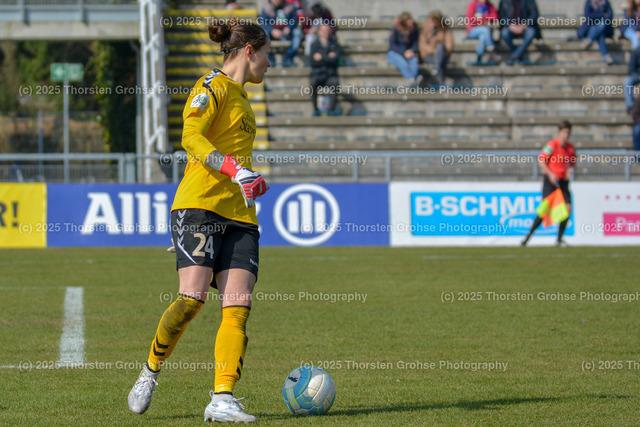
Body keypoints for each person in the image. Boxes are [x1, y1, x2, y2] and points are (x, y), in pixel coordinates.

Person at [127, 18, 270, 423]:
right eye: (267, 55)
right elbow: (191, 137)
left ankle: (222, 398)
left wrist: (250, 180)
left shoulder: (244, 99)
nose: (269, 63)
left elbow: (234, 158)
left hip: (241, 215)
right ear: (249, 51)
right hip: (199, 207)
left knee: (237, 307)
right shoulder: (212, 85)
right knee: (191, 299)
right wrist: (235, 170)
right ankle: (150, 371)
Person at [521, 120, 576, 247]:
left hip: (563, 182)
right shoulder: (552, 145)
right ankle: (527, 237)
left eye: (568, 132)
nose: (566, 135)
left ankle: (559, 239)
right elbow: (541, 160)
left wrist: (570, 170)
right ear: (559, 132)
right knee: (544, 211)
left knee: (568, 208)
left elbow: (573, 163)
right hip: (550, 181)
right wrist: (550, 174)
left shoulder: (570, 148)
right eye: (564, 132)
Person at [309, 23, 341, 115]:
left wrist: (321, 57)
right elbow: (312, 62)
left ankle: (331, 110)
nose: (326, 32)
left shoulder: (335, 45)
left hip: (330, 74)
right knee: (312, 84)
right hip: (317, 74)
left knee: (335, 83)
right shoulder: (314, 45)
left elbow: (335, 61)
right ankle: (316, 109)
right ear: (319, 32)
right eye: (323, 30)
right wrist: (328, 57)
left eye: (327, 30)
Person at [498, 0, 541, 64]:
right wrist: (509, 25)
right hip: (510, 28)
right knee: (504, 33)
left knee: (531, 32)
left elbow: (534, 14)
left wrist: (525, 24)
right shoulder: (504, 1)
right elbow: (501, 17)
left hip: (525, 27)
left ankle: (514, 55)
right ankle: (518, 55)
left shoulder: (530, 1)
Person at [260, 0, 302, 66]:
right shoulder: (267, 7)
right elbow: (262, 22)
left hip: (287, 33)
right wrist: (272, 30)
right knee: (264, 33)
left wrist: (289, 27)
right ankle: (270, 58)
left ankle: (288, 58)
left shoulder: (289, 6)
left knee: (297, 32)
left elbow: (295, 19)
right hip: (272, 34)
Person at [419, 11, 454, 86]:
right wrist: (434, 50)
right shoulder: (425, 30)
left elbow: (449, 46)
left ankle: (437, 68)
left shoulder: (445, 30)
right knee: (440, 60)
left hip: (441, 54)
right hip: (428, 55)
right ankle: (441, 82)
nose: (432, 23)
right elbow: (422, 45)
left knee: (440, 47)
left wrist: (439, 49)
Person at [388, 12, 422, 85]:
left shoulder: (414, 30)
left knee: (414, 61)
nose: (411, 21)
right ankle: (413, 79)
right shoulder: (395, 29)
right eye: (408, 20)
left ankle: (413, 80)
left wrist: (412, 51)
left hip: (409, 53)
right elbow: (392, 46)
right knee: (402, 63)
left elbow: (416, 43)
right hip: (395, 53)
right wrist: (404, 52)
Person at [577, 0, 615, 65]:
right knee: (599, 32)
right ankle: (606, 56)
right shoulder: (589, 2)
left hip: (604, 28)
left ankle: (589, 39)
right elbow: (588, 16)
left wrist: (596, 17)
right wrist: (602, 15)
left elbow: (610, 16)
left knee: (601, 25)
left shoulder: (606, 2)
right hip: (591, 28)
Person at [466, 0, 499, 64]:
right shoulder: (473, 4)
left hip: (485, 30)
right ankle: (491, 49)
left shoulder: (490, 5)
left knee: (483, 36)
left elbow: (495, 16)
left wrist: (483, 17)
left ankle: (479, 56)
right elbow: (470, 19)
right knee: (485, 30)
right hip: (473, 30)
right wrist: (483, 21)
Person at [625, 48, 640, 113]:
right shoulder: (636, 52)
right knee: (628, 82)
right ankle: (630, 106)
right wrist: (638, 77)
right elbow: (631, 70)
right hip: (637, 76)